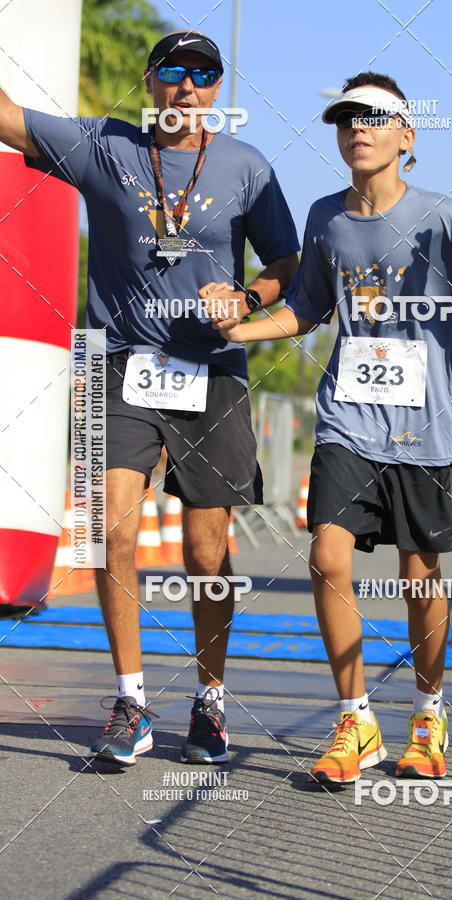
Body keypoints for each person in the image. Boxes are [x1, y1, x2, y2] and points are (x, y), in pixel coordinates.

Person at [213, 72, 452, 782]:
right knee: (327, 557)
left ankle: (428, 714)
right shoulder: (325, 218)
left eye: (374, 116)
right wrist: (244, 326)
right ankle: (356, 722)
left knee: (421, 578)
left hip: (423, 432)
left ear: (406, 134)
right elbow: (306, 306)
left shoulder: (442, 219)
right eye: (346, 118)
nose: (357, 127)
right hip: (346, 423)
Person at [0, 30, 299, 766]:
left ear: (217, 88)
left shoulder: (246, 167)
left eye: (202, 75)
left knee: (205, 551)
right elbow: (6, 117)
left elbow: (287, 261)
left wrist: (248, 295)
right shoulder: (106, 146)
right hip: (120, 365)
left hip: (211, 368)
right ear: (150, 81)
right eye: (173, 73)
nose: (186, 87)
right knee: (114, 532)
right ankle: (130, 701)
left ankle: (210, 701)